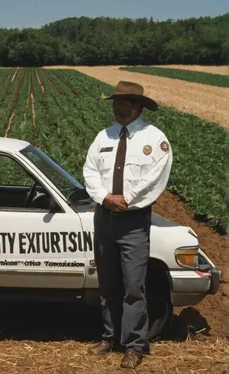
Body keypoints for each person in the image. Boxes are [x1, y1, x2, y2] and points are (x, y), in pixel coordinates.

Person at [82, 81, 173, 369]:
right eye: (114, 103)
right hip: (104, 218)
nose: (115, 108)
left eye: (121, 104)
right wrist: (105, 197)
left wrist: (127, 199)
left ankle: (135, 345)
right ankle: (109, 337)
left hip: (133, 221)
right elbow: (90, 170)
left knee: (134, 286)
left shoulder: (155, 141)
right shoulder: (104, 137)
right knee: (108, 284)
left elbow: (156, 179)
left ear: (136, 106)